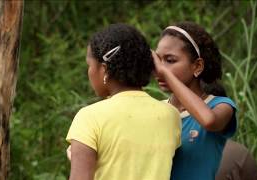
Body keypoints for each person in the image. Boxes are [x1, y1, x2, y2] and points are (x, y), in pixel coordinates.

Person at [66, 23, 181, 180]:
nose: (89, 72)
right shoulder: (172, 115)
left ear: (105, 69)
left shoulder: (89, 117)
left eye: (90, 65)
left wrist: (79, 159)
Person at [152, 21, 237, 180]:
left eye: (170, 60)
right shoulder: (156, 111)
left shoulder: (221, 105)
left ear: (197, 66)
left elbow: (209, 120)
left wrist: (165, 72)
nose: (159, 70)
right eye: (158, 60)